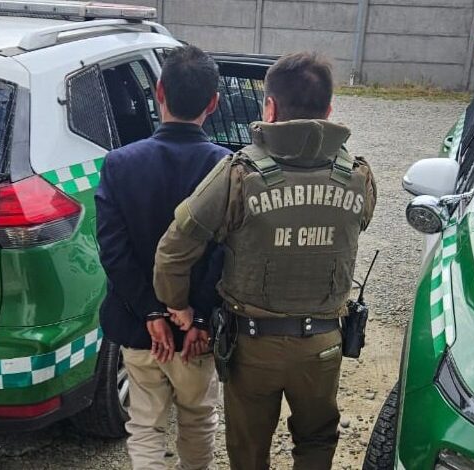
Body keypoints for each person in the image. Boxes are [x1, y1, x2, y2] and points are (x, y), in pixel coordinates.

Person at [153, 52, 377, 470]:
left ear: (269, 108)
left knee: (248, 449)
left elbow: (173, 249)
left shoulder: (239, 172)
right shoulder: (358, 175)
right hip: (323, 345)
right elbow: (355, 227)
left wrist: (177, 304)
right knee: (317, 440)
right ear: (329, 111)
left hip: (252, 346)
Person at [95, 45, 229, 470]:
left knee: (145, 425)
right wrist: (200, 317)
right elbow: (226, 254)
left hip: (139, 328)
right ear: (213, 103)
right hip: (196, 335)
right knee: (198, 419)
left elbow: (113, 251)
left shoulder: (119, 164)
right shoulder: (227, 168)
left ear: (158, 93)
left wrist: (151, 311)